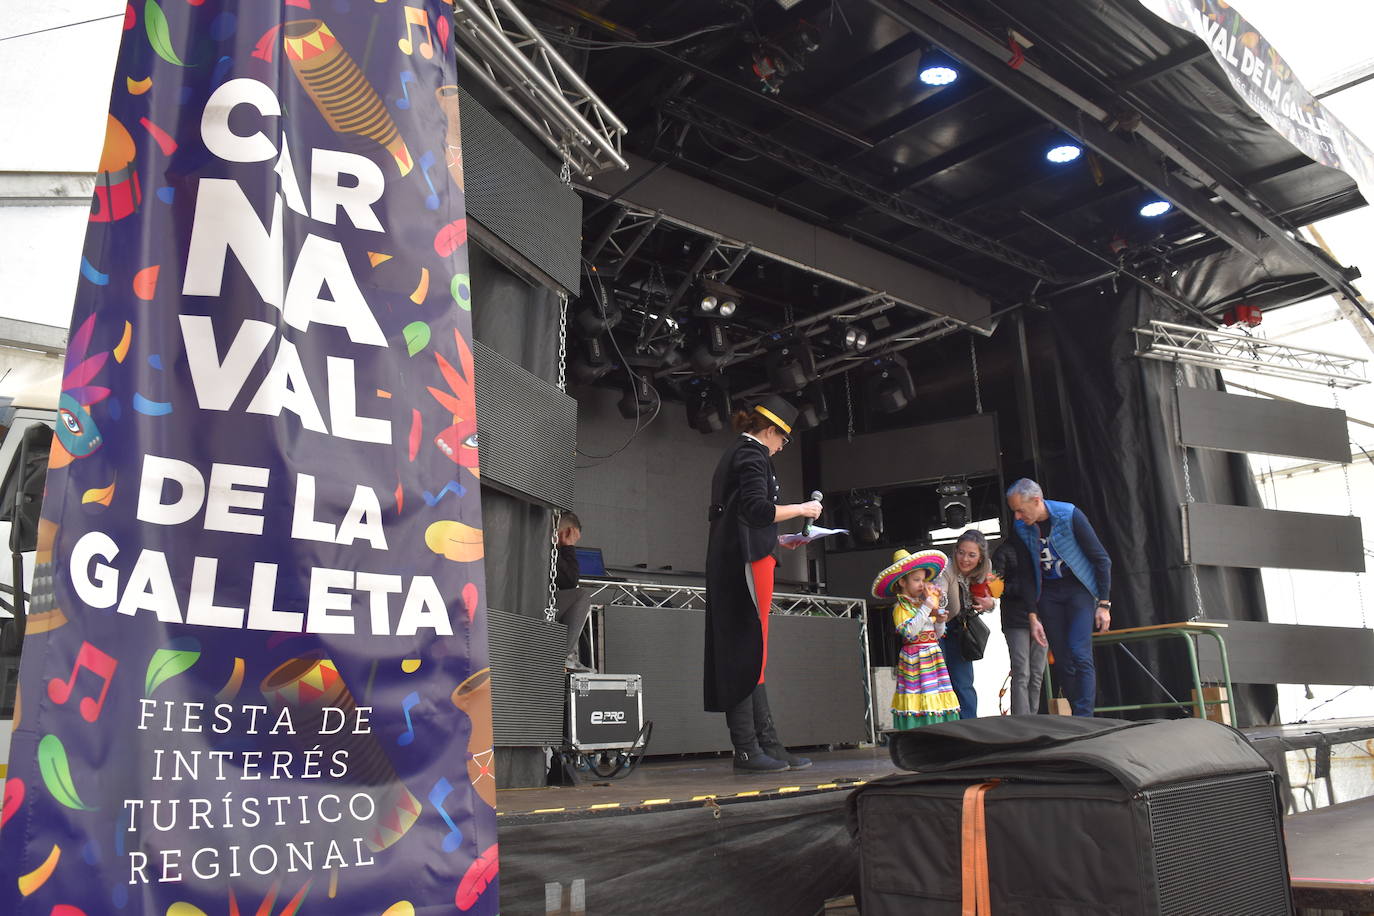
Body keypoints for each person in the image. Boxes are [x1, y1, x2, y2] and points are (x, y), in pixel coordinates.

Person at [703, 395, 822, 773]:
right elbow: (757, 510)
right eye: (783, 439)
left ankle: (765, 744)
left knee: (753, 653)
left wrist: (778, 539)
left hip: (744, 555)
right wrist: (803, 510)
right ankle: (748, 748)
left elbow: (746, 516)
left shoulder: (739, 454)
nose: (783, 447)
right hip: (745, 563)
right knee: (746, 652)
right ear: (770, 431)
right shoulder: (752, 455)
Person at [1006, 479, 1112, 717]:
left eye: (1020, 510)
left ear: (1036, 501)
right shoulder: (1022, 527)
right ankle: (1078, 714)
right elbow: (1026, 573)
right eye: (1014, 511)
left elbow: (1101, 559)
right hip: (1049, 594)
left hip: (1078, 590)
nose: (1018, 517)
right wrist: (1033, 615)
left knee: (1079, 652)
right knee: (1062, 659)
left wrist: (1103, 604)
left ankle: (1085, 717)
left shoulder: (1069, 514)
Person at [872, 549, 960, 730]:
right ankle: (920, 730)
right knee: (918, 694)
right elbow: (910, 632)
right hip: (915, 657)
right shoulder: (900, 607)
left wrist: (941, 621)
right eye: (916, 580)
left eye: (923, 580)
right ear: (902, 582)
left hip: (932, 655)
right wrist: (928, 606)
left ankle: (940, 730)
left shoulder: (922, 604)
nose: (922, 585)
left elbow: (936, 633)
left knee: (935, 692)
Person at [939, 529, 996, 719]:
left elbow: (989, 596)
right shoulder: (946, 568)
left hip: (962, 628)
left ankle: (970, 728)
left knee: (963, 683)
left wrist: (990, 604)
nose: (965, 559)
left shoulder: (986, 567)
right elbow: (940, 596)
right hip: (939, 626)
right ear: (955, 551)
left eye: (972, 555)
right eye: (961, 552)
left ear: (980, 558)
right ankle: (943, 730)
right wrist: (936, 603)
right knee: (939, 681)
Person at [992, 534, 1047, 715]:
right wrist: (1026, 589)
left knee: (1037, 673)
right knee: (1022, 672)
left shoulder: (1042, 548)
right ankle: (1023, 722)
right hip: (1016, 619)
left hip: (1041, 617)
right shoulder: (1004, 551)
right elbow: (995, 588)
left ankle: (1034, 717)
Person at [554, 513, 593, 672]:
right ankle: (565, 657)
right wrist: (568, 546)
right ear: (568, 532)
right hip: (530, 606)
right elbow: (570, 581)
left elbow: (565, 583)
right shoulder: (547, 546)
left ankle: (568, 655)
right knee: (581, 596)